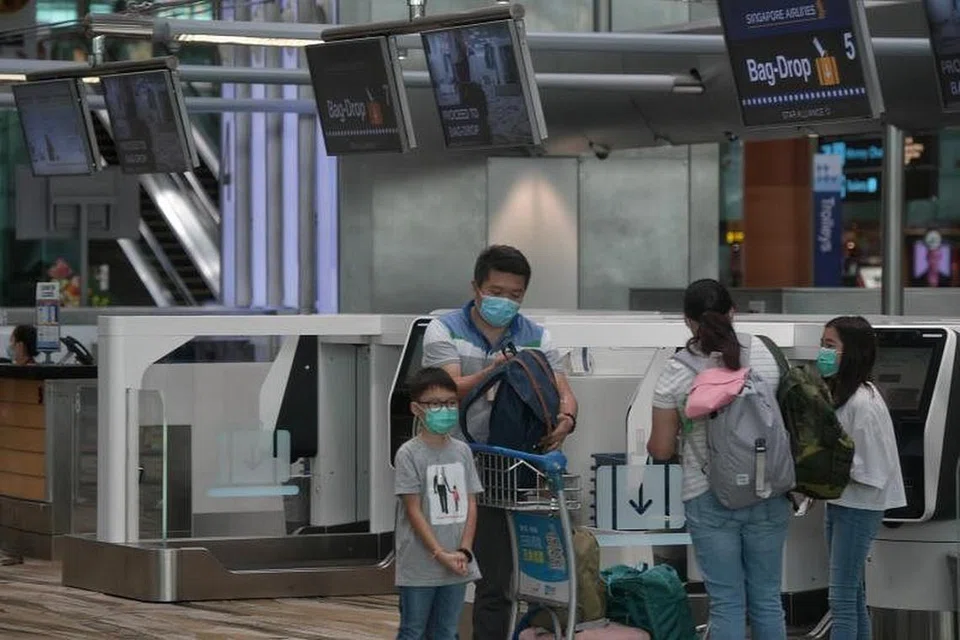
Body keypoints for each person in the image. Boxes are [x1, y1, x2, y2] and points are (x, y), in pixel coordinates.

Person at [422, 244, 579, 640]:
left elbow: (563, 392)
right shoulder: (444, 328)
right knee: (444, 570)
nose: (504, 301)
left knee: (498, 577)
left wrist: (566, 420)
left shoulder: (537, 337)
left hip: (510, 469)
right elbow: (446, 390)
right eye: (496, 292)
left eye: (515, 294)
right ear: (476, 287)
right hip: (452, 467)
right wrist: (494, 371)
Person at [648, 278, 791, 640]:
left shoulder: (677, 371)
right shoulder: (765, 353)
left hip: (707, 494)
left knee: (727, 602)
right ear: (733, 312)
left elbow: (660, 449)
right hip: (768, 489)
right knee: (767, 598)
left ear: (687, 320)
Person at [817, 316, 906, 640]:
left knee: (841, 598)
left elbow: (872, 467)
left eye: (830, 345)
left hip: (858, 505)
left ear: (852, 351)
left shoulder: (863, 403)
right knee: (852, 595)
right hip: (842, 500)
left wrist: (823, 466)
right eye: (822, 344)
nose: (823, 352)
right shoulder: (845, 395)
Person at [394, 367, 483, 640]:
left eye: (450, 403)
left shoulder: (462, 451)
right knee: (413, 630)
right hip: (419, 564)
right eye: (435, 404)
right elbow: (413, 509)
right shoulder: (408, 454)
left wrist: (464, 550)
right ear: (416, 409)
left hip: (458, 561)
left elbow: (471, 503)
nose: (444, 410)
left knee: (446, 631)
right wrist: (439, 552)